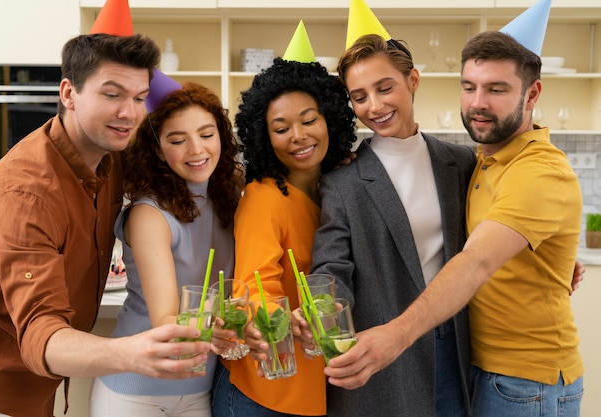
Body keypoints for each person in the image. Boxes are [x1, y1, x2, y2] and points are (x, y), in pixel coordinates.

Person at [322, 29, 584, 417]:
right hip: (476, 365)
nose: (478, 103)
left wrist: (397, 334)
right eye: (469, 87)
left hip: (521, 379)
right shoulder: (481, 161)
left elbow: (476, 258)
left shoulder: (521, 169)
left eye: (496, 89)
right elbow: (331, 264)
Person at [0, 34, 212, 417]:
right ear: (69, 93)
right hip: (2, 388)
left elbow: (185, 134)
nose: (130, 113)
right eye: (112, 94)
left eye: (139, 98)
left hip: (56, 381)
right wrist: (131, 353)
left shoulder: (110, 155)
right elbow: (41, 333)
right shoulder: (25, 194)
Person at [309, 32, 476, 417]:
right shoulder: (342, 182)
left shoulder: (460, 163)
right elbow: (333, 266)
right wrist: (327, 306)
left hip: (455, 346)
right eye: (360, 96)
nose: (375, 106)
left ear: (412, 80)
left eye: (385, 88)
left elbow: (489, 235)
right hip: (386, 355)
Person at [211, 55, 356, 417]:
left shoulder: (337, 191)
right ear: (264, 137)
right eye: (281, 128)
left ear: (330, 121)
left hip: (318, 387)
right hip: (266, 393)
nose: (298, 136)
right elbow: (253, 284)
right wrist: (277, 318)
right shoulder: (264, 198)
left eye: (309, 120)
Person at [89, 81, 243, 416]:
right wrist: (226, 327)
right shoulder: (150, 214)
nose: (197, 149)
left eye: (206, 134)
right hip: (135, 392)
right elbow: (166, 320)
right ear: (158, 150)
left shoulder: (229, 198)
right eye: (177, 140)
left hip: (198, 389)